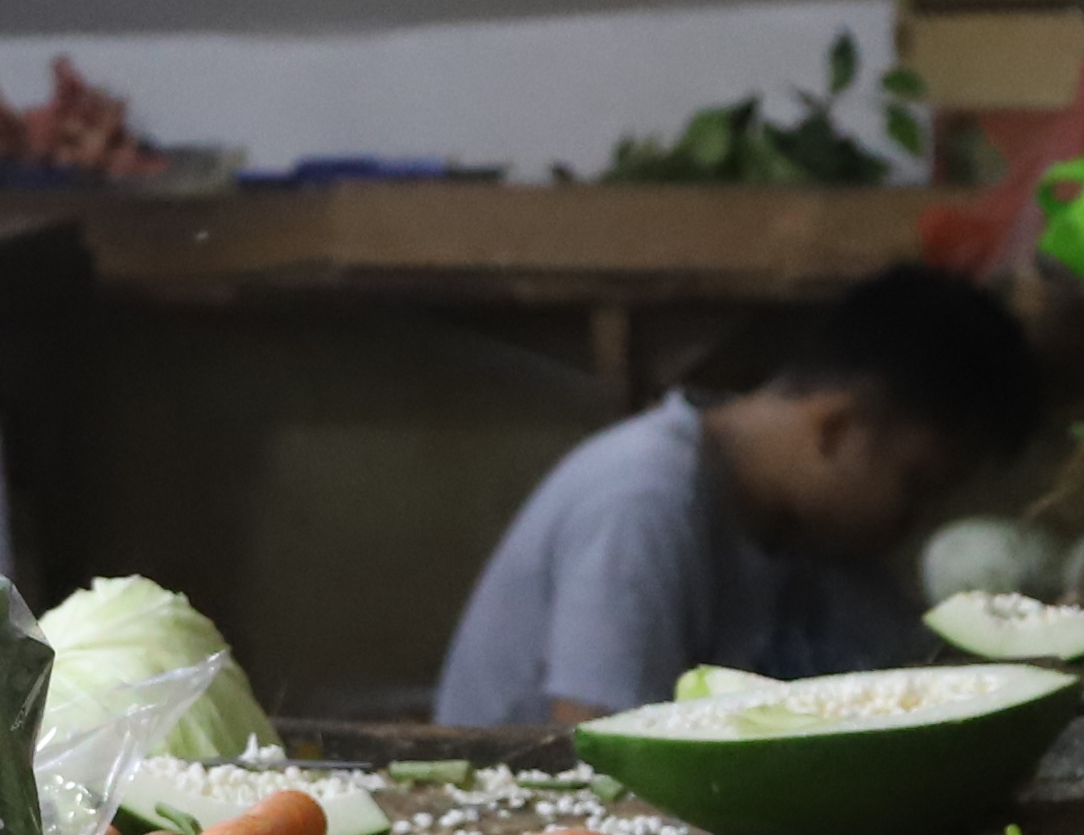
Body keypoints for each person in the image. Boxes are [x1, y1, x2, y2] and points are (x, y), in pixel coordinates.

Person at [431, 265, 1049, 730]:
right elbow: (601, 752)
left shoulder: (810, 531)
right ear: (836, 430)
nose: (918, 522)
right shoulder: (642, 504)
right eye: (917, 485)